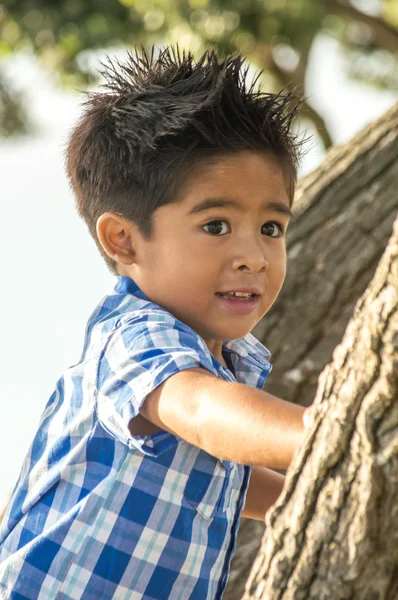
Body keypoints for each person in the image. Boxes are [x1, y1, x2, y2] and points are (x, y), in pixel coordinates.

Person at [0, 47, 310, 599]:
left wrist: (309, 494)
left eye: (270, 227)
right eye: (216, 225)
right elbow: (203, 413)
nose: (254, 257)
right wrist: (334, 432)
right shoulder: (134, 336)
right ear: (123, 239)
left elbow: (225, 469)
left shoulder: (227, 361)